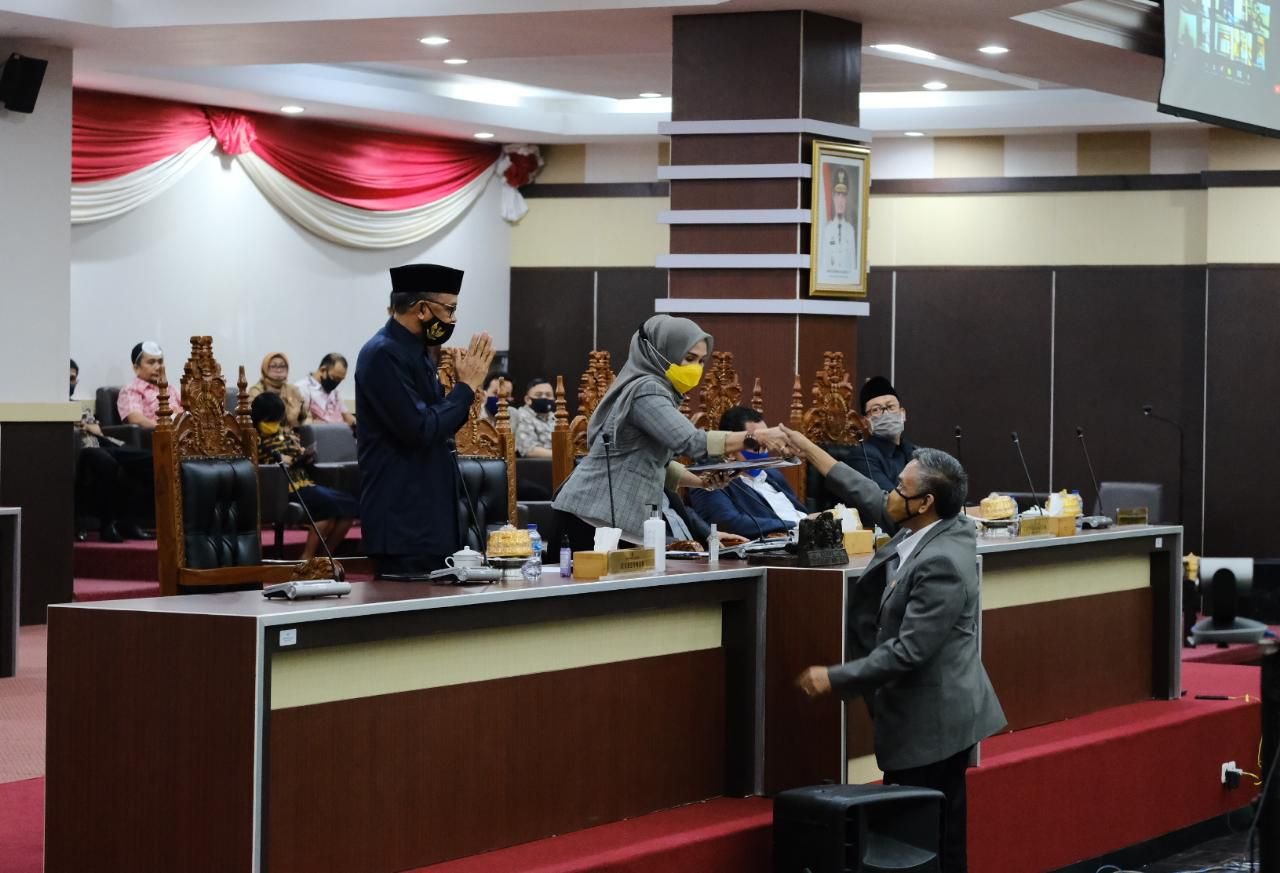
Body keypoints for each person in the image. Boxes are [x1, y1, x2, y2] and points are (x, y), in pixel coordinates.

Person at [786, 429, 1006, 873]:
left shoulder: (941, 561)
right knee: (933, 827)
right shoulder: (930, 527)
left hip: (935, 721)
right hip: (930, 711)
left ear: (924, 503)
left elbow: (909, 652)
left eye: (900, 488)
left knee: (926, 836)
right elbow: (865, 492)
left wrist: (834, 677)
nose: (890, 493)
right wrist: (806, 449)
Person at [552, 314, 788, 549]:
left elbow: (654, 463)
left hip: (613, 519)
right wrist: (754, 437)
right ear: (660, 352)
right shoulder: (646, 389)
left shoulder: (658, 390)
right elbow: (690, 441)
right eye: (688, 358)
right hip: (591, 515)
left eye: (700, 361)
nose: (695, 368)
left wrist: (701, 481)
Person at [355, 263, 494, 578]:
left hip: (429, 515)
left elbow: (438, 426)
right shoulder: (382, 354)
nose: (453, 320)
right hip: (403, 520)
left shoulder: (417, 352)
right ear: (421, 309)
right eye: (449, 309)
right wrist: (465, 388)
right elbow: (420, 428)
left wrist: (464, 393)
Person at [251, 392, 357, 561]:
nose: (275, 422)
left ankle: (325, 557)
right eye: (272, 418)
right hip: (284, 487)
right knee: (326, 510)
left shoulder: (284, 432)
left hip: (305, 482)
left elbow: (294, 452)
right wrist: (287, 458)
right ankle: (306, 557)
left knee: (350, 507)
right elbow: (266, 462)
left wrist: (304, 454)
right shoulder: (254, 438)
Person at [687, 405, 807, 539]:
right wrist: (798, 525)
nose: (763, 452)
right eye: (757, 445)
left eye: (766, 445)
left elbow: (799, 511)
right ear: (733, 446)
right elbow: (728, 522)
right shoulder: (710, 477)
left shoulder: (773, 474)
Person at [73, 358, 156, 542]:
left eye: (73, 379)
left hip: (106, 442)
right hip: (84, 448)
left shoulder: (79, 407)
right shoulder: (58, 407)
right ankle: (107, 524)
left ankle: (129, 521)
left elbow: (98, 429)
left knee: (149, 459)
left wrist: (91, 426)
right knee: (105, 462)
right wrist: (80, 427)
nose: (70, 384)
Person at [850, 375, 918, 492]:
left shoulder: (915, 452)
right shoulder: (862, 456)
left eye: (891, 407)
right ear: (865, 422)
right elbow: (892, 500)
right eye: (876, 410)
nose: (886, 414)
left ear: (903, 413)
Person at [117, 340, 182, 427]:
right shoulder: (131, 390)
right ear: (136, 368)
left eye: (160, 362)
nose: (158, 367)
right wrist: (166, 430)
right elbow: (137, 420)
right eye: (151, 362)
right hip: (159, 433)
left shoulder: (170, 388)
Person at [248, 352, 309, 428]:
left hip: (292, 433)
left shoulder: (293, 390)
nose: (279, 370)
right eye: (274, 366)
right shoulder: (256, 390)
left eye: (282, 366)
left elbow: (306, 416)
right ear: (265, 368)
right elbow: (252, 419)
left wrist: (308, 430)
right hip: (264, 434)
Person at [297, 353, 355, 426]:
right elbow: (303, 421)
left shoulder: (334, 392)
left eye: (340, 380)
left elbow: (348, 417)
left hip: (341, 431)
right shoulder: (302, 388)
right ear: (323, 370)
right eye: (335, 378)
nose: (336, 383)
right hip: (320, 432)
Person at [819, 167, 856, 282]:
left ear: (846, 199)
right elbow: (823, 265)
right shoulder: (827, 230)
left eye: (843, 196)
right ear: (833, 197)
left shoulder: (850, 230)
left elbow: (853, 266)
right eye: (837, 195)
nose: (840, 201)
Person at [509, 376, 555, 458]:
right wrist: (561, 455)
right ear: (527, 399)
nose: (544, 397)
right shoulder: (521, 416)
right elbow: (529, 450)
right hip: (536, 464)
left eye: (548, 395)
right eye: (539, 395)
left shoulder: (555, 417)